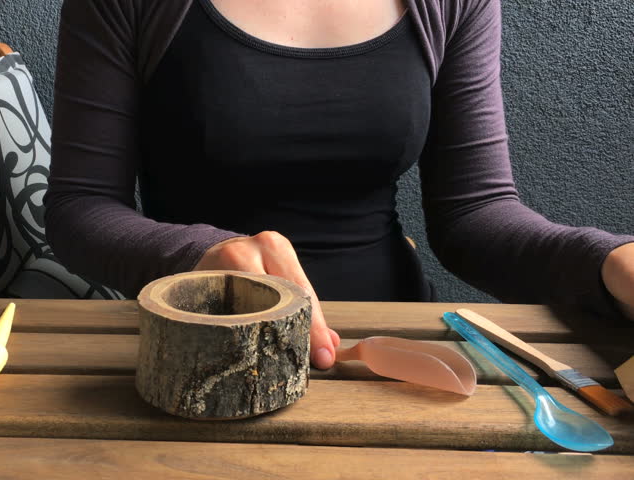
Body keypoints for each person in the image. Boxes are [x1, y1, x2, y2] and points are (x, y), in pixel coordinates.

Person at [43, 0, 634, 370]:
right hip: (206, 358)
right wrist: (199, 256)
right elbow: (80, 208)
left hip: (395, 353)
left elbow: (475, 215)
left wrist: (607, 262)